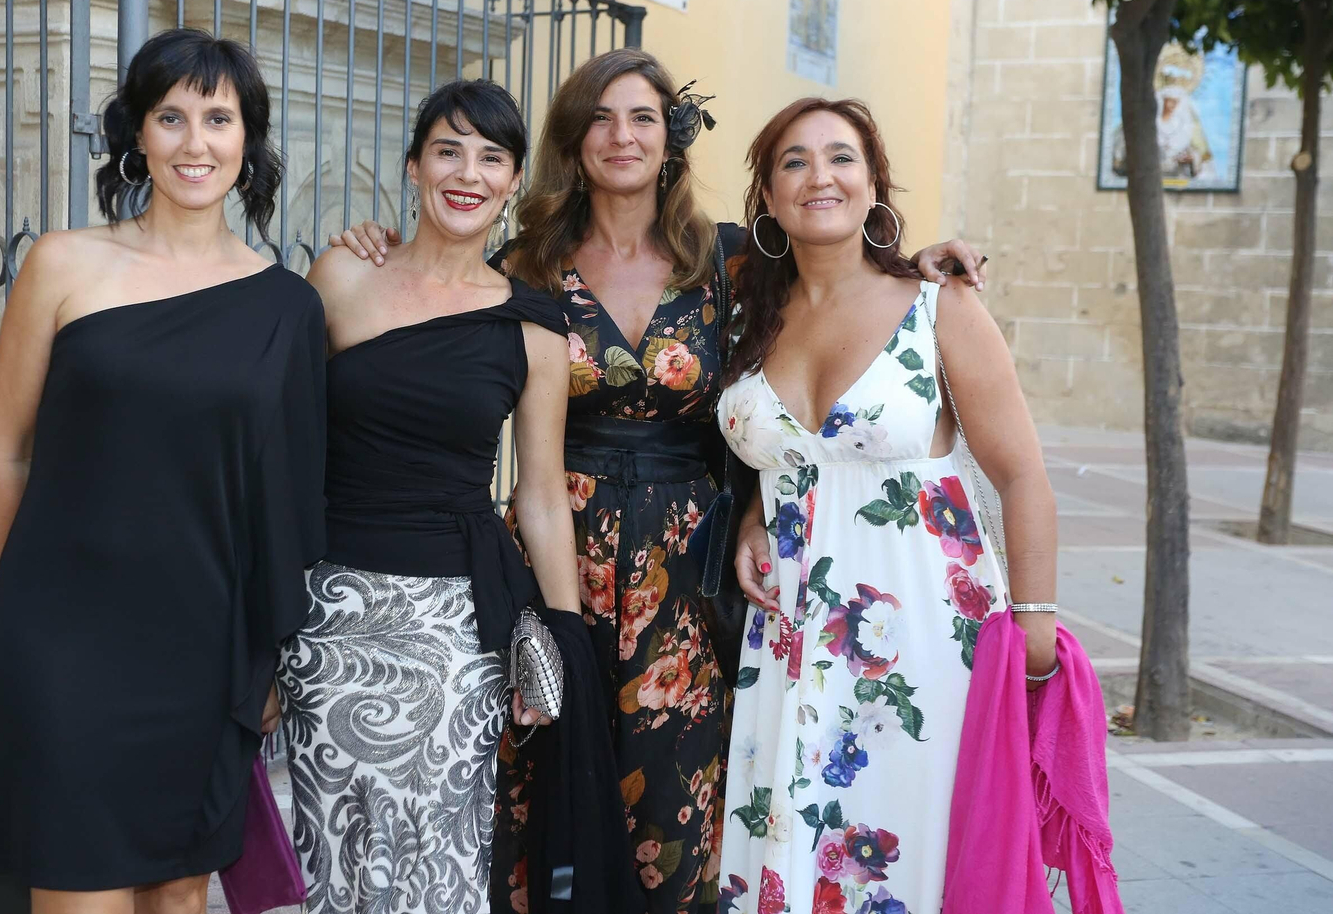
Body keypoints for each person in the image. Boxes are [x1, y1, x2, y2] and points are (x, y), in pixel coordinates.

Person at [330, 50, 984, 914]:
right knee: (539, 783)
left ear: (670, 138)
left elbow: (831, 288)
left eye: (642, 117)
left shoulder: (729, 261)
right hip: (554, 549)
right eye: (600, 117)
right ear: (573, 140)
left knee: (678, 800)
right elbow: (439, 294)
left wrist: (923, 257)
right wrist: (368, 242)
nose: (621, 135)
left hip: (690, 571)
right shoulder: (525, 264)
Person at [0, 29, 324, 914]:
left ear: (249, 141)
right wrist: (2, 617)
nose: (194, 142)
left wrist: (265, 660)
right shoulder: (63, 263)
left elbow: (284, 498)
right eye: (170, 116)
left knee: (178, 897)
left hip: (205, 654)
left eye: (218, 117)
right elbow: (5, 452)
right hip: (63, 647)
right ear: (137, 133)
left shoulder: (287, 306)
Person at [279, 79, 632, 914]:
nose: (467, 171)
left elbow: (541, 495)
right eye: (448, 149)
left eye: (491, 155)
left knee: (441, 852)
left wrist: (564, 631)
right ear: (413, 166)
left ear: (512, 182)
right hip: (327, 613)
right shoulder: (338, 274)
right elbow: (280, 445)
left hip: (453, 632)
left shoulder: (533, 327)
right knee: (333, 847)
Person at [714, 98, 1058, 914]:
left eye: (842, 157)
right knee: (800, 840)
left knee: (917, 847)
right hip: (791, 637)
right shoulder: (746, 316)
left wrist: (1036, 631)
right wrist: (754, 519)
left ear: (875, 185)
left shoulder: (940, 305)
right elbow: (783, 461)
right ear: (766, 196)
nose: (819, 175)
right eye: (793, 161)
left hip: (926, 640)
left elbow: (1023, 476)